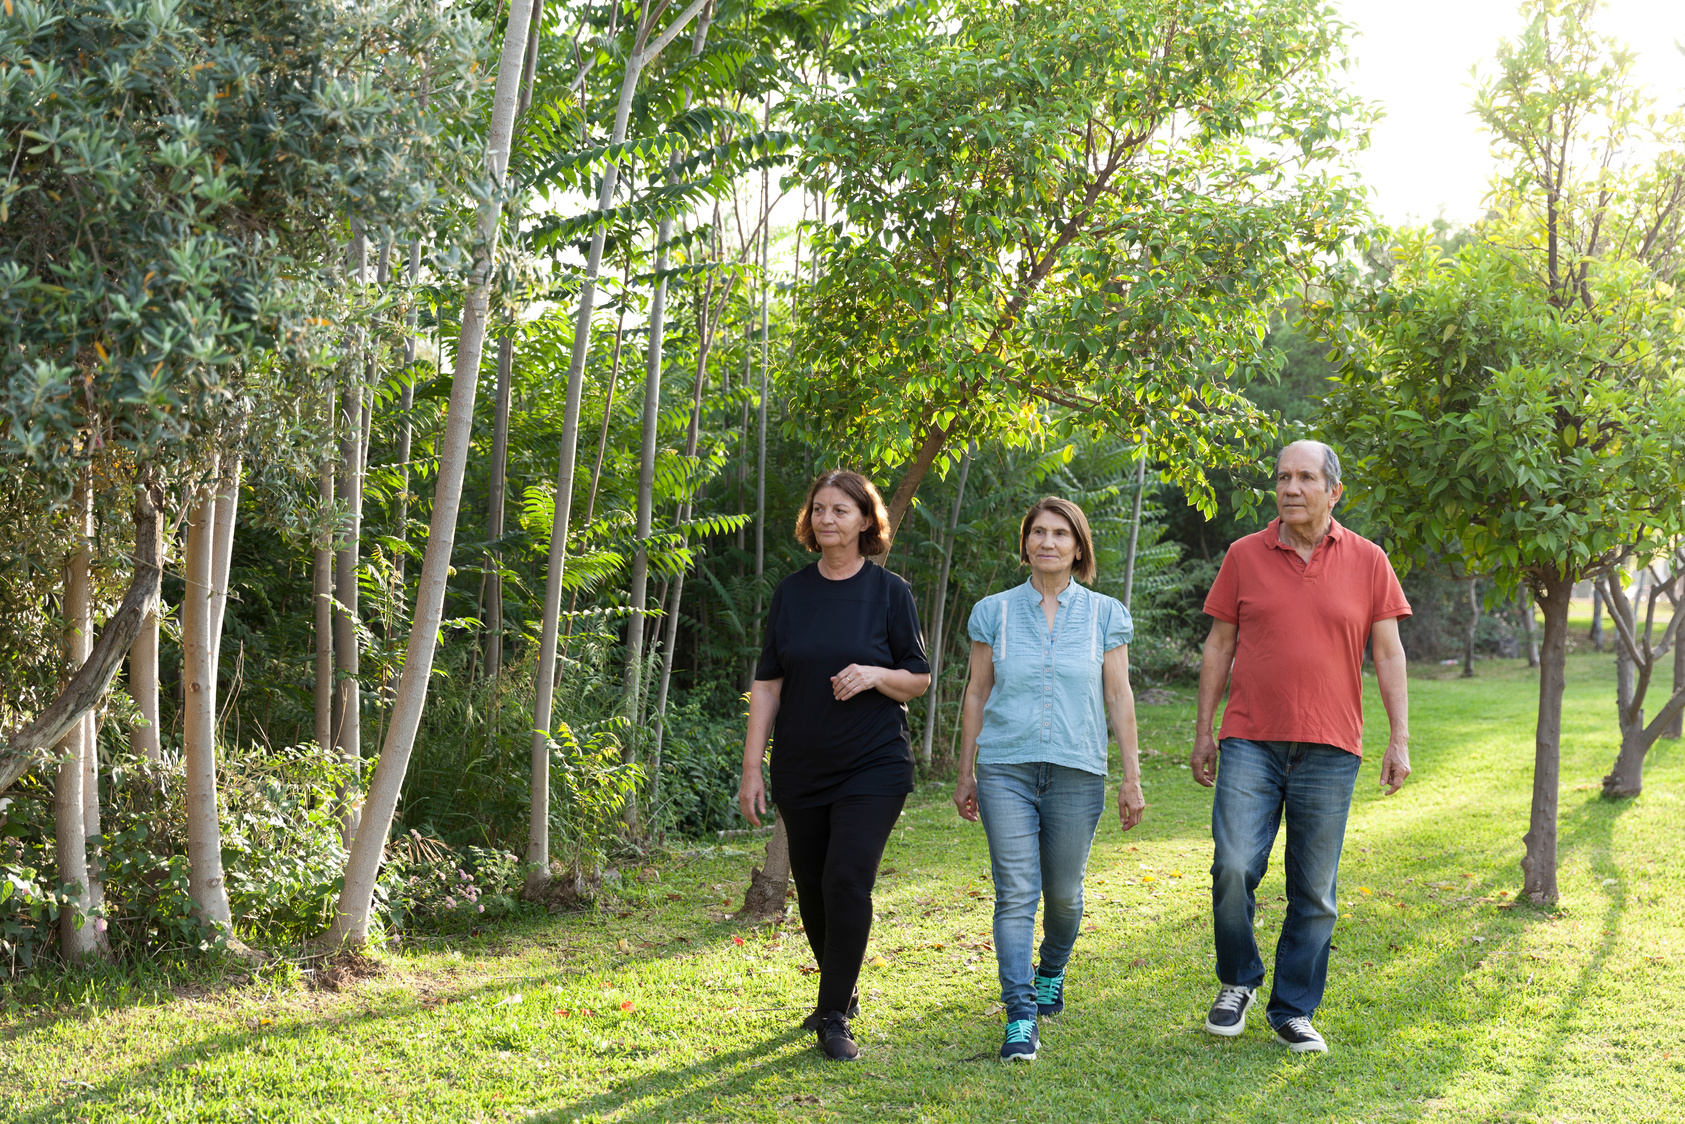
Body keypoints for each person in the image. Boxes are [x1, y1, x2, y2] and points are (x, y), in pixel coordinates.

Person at [1191, 440, 1412, 1054]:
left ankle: (1292, 1008)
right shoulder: (1243, 555)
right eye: (1283, 477)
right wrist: (1204, 729)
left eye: (1305, 478)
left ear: (1334, 491)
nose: (1290, 488)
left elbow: (1388, 652)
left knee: (1314, 888)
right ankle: (1238, 980)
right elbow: (1218, 646)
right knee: (1234, 866)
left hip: (1332, 746)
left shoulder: (1369, 561)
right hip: (1250, 741)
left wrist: (1399, 737)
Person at [738, 469, 931, 1062]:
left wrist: (874, 674)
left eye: (840, 510)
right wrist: (752, 767)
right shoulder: (792, 593)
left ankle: (832, 1014)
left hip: (873, 763)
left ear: (866, 520)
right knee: (817, 892)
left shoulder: (890, 592)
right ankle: (838, 995)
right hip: (802, 764)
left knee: (847, 879)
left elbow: (918, 679)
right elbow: (768, 685)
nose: (827, 519)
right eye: (818, 509)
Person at [954, 496, 1145, 1063]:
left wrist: (1131, 777)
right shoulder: (994, 611)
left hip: (1077, 770)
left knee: (1063, 896)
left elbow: (1118, 695)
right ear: (1026, 543)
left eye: (1060, 533)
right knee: (1016, 893)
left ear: (1078, 545)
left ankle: (1051, 970)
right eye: (1037, 532)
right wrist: (965, 769)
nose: (1047, 542)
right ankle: (1019, 1015)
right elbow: (977, 691)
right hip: (1004, 767)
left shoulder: (1107, 614)